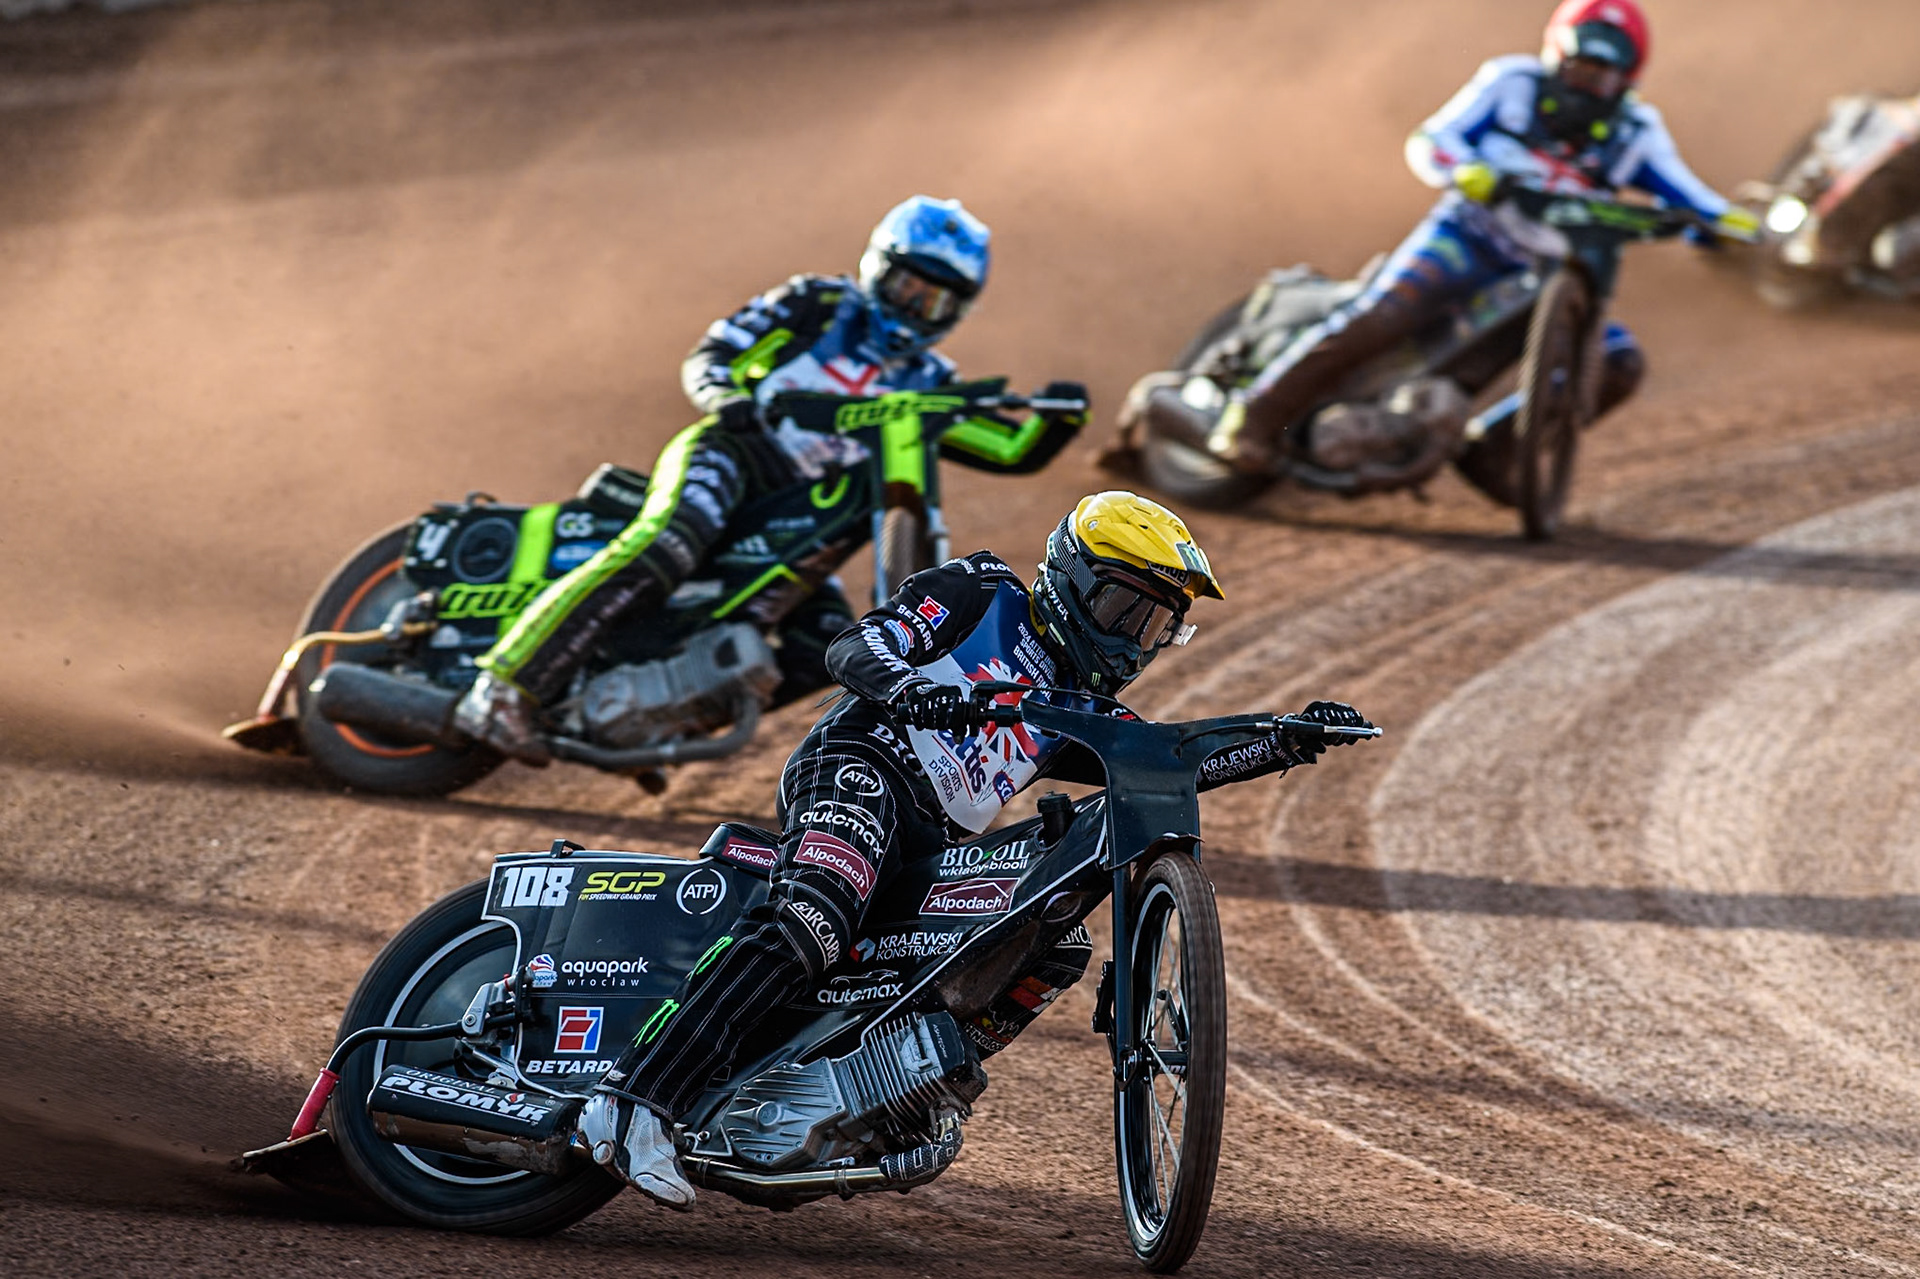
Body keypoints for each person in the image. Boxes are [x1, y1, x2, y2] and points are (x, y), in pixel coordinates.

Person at [571, 490, 1373, 1207]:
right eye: (1126, 608)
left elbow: (1167, 758)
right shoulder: (983, 590)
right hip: (862, 765)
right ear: (1072, 578)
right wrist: (913, 689)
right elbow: (853, 647)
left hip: (933, 839)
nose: (1135, 641)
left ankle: (892, 1092)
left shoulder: (1076, 703)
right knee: (815, 914)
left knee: (1051, 939)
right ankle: (631, 1101)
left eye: (1157, 627)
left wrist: (1284, 740)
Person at [453, 195, 1088, 762]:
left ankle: (650, 722)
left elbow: (1010, 449)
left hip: (804, 519)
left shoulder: (932, 383)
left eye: (935, 299)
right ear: (877, 266)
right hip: (736, 454)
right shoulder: (818, 303)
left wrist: (1059, 419)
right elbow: (714, 354)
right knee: (670, 539)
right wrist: (725, 397)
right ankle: (504, 684)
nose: (914, 308)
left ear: (958, 309)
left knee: (823, 646)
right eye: (906, 286)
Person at [1206, 0, 1762, 472]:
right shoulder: (1510, 82)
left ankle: (1497, 456)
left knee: (1618, 362)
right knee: (1388, 309)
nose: (1587, 83)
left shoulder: (1638, 133)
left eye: (1602, 75)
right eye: (1579, 67)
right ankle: (1252, 415)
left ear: (1628, 79)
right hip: (1466, 237)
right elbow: (1432, 140)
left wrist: (1738, 226)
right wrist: (1466, 170)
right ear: (1555, 55)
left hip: (1544, 277)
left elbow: (1695, 201)